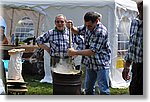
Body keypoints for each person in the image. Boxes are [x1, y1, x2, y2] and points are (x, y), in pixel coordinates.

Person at [67, 12, 111, 95]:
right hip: (90, 64)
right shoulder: (88, 26)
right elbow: (77, 31)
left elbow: (92, 51)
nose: (87, 27)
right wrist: (71, 27)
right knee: (88, 89)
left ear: (97, 21)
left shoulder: (101, 32)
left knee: (103, 90)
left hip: (101, 64)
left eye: (90, 26)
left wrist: (75, 52)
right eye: (86, 25)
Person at [122, 1, 143, 95]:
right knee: (134, 91)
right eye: (140, 10)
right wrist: (126, 66)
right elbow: (132, 45)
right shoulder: (135, 22)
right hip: (137, 65)